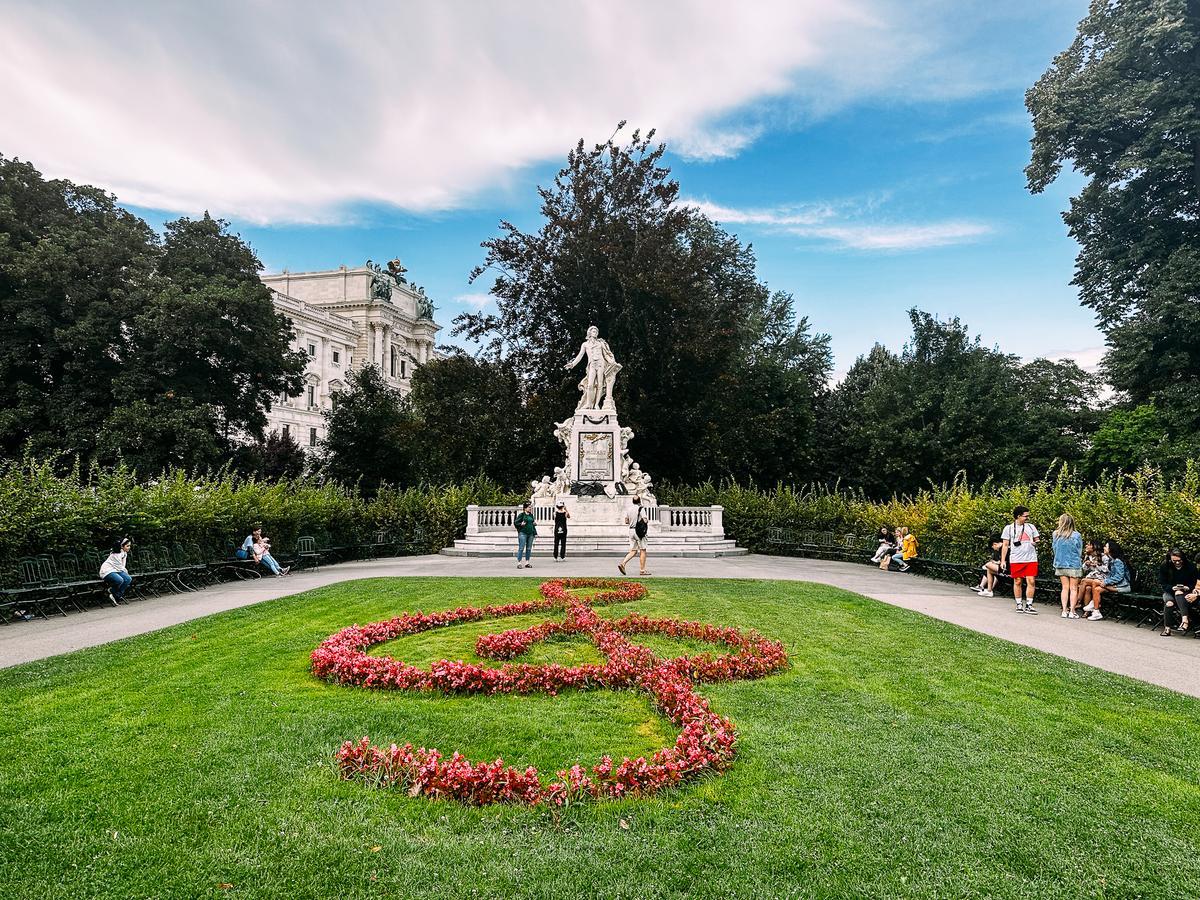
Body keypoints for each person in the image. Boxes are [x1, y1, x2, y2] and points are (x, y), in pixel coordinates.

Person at [1001, 505, 1040, 614]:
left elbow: (1038, 540)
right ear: (1018, 516)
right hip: (1016, 558)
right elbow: (1005, 545)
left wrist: (1035, 543)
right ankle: (1019, 603)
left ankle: (1029, 604)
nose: (1027, 518)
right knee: (1017, 581)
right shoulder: (1008, 528)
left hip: (1031, 558)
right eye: (1025, 516)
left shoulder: (1031, 527)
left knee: (1031, 580)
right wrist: (1003, 560)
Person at [1080, 540, 1130, 620]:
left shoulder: (1118, 561)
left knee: (1095, 582)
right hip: (1114, 584)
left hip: (1122, 586)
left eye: (1106, 547)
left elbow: (1119, 577)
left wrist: (1106, 581)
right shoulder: (1111, 560)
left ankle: (1093, 604)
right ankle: (1096, 612)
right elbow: (1110, 575)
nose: (1104, 548)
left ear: (1111, 549)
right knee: (1097, 589)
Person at [1158, 548, 1199, 636]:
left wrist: (1187, 587)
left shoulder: (1190, 566)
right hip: (1169, 591)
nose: (1177, 562)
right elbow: (1163, 584)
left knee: (1179, 593)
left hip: (1185, 592)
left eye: (1179, 560)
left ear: (1183, 558)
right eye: (1174, 561)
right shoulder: (1165, 566)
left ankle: (1185, 620)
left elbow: (1194, 583)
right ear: (1170, 559)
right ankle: (1167, 628)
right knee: (1169, 603)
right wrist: (1172, 588)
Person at [1052, 513, 1084, 619]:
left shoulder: (1056, 534)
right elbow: (1079, 550)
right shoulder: (1076, 535)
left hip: (1060, 563)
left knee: (1064, 588)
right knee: (1074, 588)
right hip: (1073, 564)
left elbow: (1054, 548)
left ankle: (1064, 610)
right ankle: (1072, 611)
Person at [618, 496, 650, 576]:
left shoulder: (629, 509)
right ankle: (642, 570)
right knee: (643, 550)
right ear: (639, 501)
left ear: (633, 501)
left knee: (633, 550)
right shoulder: (641, 509)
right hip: (639, 531)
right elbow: (645, 520)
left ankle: (623, 563)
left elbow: (626, 521)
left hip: (631, 531)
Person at [99, 537, 133, 605]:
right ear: (122, 546)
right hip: (107, 571)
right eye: (127, 546)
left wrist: (125, 572)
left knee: (128, 579)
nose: (129, 547)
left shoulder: (124, 553)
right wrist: (125, 571)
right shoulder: (116, 554)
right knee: (120, 580)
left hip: (116, 570)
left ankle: (117, 595)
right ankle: (112, 591)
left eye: (129, 546)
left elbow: (123, 566)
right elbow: (120, 567)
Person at [514, 501, 537, 568]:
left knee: (529, 548)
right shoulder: (521, 515)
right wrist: (521, 524)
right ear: (525, 508)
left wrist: (534, 529)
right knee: (521, 548)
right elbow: (516, 523)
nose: (530, 508)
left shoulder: (531, 515)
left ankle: (527, 562)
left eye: (530, 507)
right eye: (529, 507)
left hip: (530, 534)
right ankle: (519, 563)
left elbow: (532, 523)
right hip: (523, 533)